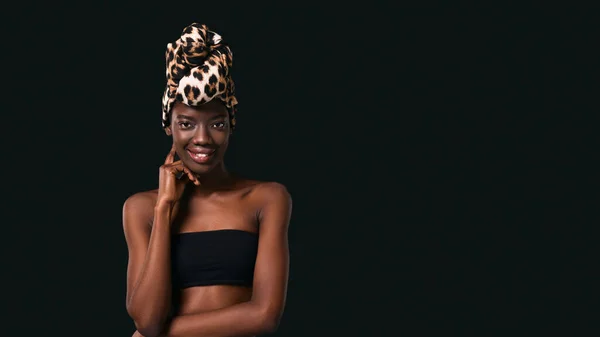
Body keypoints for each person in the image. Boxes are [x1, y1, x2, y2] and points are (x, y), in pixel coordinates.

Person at [122, 23, 292, 337]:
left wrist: (160, 335)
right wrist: (164, 209)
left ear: (230, 125)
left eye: (216, 123)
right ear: (169, 126)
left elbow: (264, 315)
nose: (202, 138)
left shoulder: (266, 198)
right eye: (186, 123)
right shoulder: (142, 208)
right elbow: (147, 319)